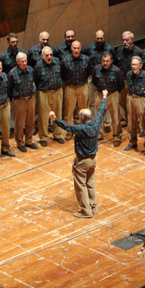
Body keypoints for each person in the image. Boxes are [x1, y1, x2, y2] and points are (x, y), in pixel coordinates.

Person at [50, 90, 108, 218]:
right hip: (93, 159)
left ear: (82, 118)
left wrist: (55, 119)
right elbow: (101, 111)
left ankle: (86, 211)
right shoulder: (96, 123)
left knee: (81, 185)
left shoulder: (81, 128)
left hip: (82, 161)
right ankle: (93, 206)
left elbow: (67, 126)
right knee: (91, 183)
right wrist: (104, 97)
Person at [91, 52, 125, 146]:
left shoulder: (117, 71)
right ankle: (99, 134)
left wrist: (114, 92)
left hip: (112, 94)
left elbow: (121, 84)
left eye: (107, 61)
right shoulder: (96, 69)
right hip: (99, 94)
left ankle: (117, 136)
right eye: (103, 61)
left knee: (115, 116)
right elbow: (94, 81)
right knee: (98, 115)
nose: (105, 63)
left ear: (111, 61)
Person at [34, 46, 64, 147]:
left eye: (51, 54)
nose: (49, 57)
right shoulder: (38, 66)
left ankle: (58, 134)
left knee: (58, 113)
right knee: (43, 116)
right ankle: (43, 137)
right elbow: (36, 80)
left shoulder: (57, 62)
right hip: (44, 92)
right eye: (47, 55)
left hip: (57, 91)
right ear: (42, 56)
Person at [7, 52, 38, 152]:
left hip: (31, 98)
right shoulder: (12, 73)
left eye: (25, 61)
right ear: (17, 62)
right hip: (19, 100)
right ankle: (20, 142)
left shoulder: (30, 70)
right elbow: (9, 89)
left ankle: (29, 140)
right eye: (22, 61)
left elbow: (35, 81)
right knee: (19, 123)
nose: (24, 63)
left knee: (30, 121)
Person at [61, 41, 91, 141]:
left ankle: (84, 130)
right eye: (74, 48)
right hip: (70, 87)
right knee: (68, 111)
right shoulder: (65, 60)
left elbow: (89, 72)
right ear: (71, 48)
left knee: (84, 111)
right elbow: (62, 74)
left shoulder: (86, 59)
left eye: (78, 48)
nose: (76, 50)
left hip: (83, 87)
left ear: (80, 48)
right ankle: (69, 132)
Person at [86, 30, 114, 134]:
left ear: (104, 37)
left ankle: (107, 123)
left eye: (101, 38)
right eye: (97, 38)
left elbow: (113, 61)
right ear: (95, 38)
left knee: (105, 102)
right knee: (93, 102)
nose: (99, 40)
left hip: (106, 78)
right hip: (93, 79)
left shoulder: (109, 48)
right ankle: (95, 121)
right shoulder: (89, 48)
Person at [115, 31, 143, 128]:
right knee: (122, 102)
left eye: (127, 40)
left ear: (132, 40)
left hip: (134, 80)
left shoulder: (139, 52)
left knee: (135, 103)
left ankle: (138, 123)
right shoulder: (119, 50)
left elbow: (142, 68)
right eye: (123, 40)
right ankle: (123, 120)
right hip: (122, 80)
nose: (124, 42)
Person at [124, 56, 145, 153]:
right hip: (131, 98)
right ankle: (132, 142)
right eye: (132, 64)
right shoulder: (128, 74)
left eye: (136, 64)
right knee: (131, 122)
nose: (134, 66)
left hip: (141, 99)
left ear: (141, 66)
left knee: (144, 123)